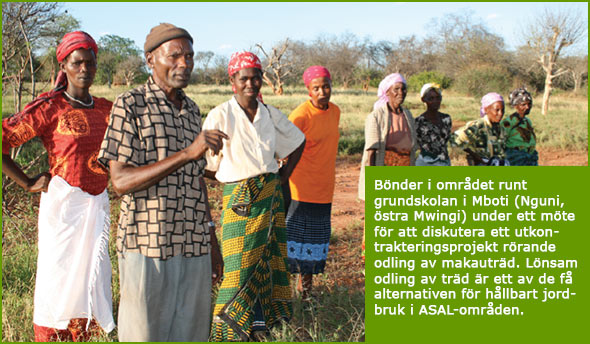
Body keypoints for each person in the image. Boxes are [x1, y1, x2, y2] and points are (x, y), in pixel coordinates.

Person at [97, 23, 226, 342]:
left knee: (191, 332)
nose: (185, 63)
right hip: (147, 242)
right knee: (145, 333)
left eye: (190, 57)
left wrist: (211, 239)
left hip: (192, 241)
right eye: (175, 56)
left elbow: (197, 180)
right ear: (150, 59)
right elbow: (121, 180)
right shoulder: (130, 105)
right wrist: (188, 152)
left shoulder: (192, 110)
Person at [2, 31, 114, 342]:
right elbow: (3, 139)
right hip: (64, 210)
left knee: (90, 279)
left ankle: (84, 335)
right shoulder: (49, 108)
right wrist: (26, 182)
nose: (84, 70)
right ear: (63, 65)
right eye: (77, 63)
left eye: (90, 63)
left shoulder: (107, 109)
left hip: (97, 208)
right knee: (59, 278)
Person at [203, 51, 305, 342]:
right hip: (239, 200)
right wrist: (232, 177)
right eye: (243, 78)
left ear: (262, 80)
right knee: (237, 268)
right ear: (232, 81)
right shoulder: (220, 115)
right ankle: (228, 330)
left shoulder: (269, 114)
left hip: (271, 197)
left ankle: (262, 325)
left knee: (270, 261)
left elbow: (298, 142)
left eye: (255, 77)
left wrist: (282, 177)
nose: (251, 83)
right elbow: (206, 166)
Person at [286, 66, 340, 300]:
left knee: (315, 243)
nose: (322, 92)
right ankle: (282, 296)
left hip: (324, 188)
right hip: (300, 189)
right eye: (316, 88)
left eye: (325, 86)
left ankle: (306, 292)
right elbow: (286, 150)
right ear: (308, 90)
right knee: (293, 243)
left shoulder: (336, 111)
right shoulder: (299, 116)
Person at [358, 73, 417, 265]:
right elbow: (371, 152)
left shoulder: (408, 115)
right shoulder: (375, 116)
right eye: (396, 89)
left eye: (403, 89)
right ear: (387, 92)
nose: (401, 93)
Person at [452, 92, 508, 166]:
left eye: (502, 110)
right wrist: (472, 155)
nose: (500, 113)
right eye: (497, 110)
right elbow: (454, 140)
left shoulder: (501, 130)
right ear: (486, 109)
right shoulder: (478, 126)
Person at [415, 83, 453, 166]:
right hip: (426, 163)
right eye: (431, 98)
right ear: (423, 99)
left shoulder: (446, 119)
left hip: (444, 162)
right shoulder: (418, 122)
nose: (435, 101)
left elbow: (445, 141)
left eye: (438, 98)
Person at [502, 87, 538, 165]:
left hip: (530, 157)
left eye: (529, 104)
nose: (527, 107)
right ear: (515, 106)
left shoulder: (527, 121)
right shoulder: (508, 122)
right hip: (516, 159)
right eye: (523, 105)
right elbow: (501, 142)